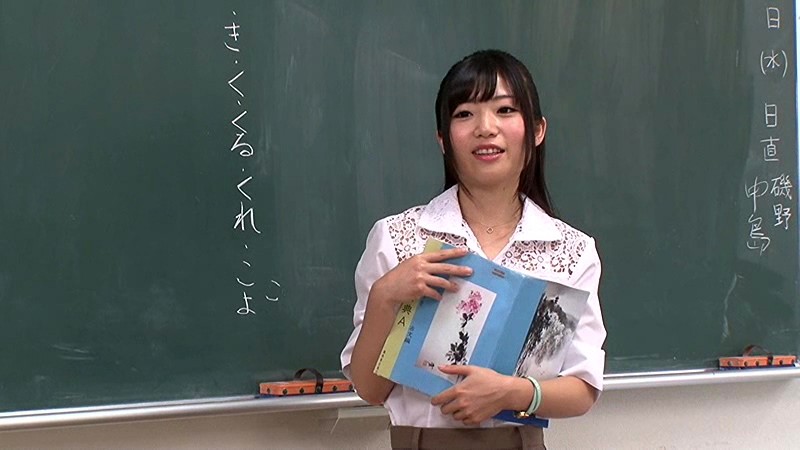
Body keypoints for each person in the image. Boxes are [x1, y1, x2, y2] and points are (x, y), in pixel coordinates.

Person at [340, 49, 606, 450]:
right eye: (465, 113)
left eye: (505, 110)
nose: (486, 128)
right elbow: (370, 389)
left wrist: (511, 393)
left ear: (537, 130)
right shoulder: (396, 238)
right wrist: (384, 296)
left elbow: (582, 388)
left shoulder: (570, 251)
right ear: (443, 139)